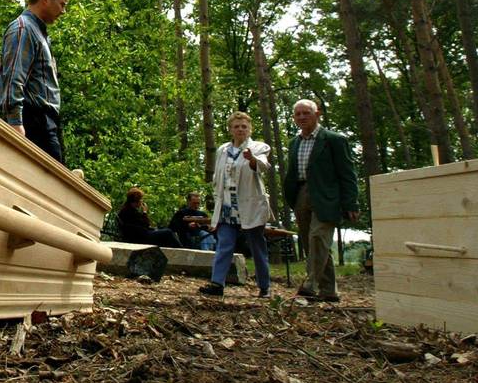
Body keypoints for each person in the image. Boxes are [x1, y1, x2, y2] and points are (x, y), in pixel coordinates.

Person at [283, 99, 359, 303]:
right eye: (297, 114)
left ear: (318, 114)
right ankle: (329, 291)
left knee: (318, 237)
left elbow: (347, 173)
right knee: (314, 243)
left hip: (327, 196)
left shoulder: (334, 140)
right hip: (301, 195)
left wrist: (351, 203)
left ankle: (309, 285)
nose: (301, 117)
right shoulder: (294, 142)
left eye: (306, 113)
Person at [0, 0, 69, 163]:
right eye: (62, 4)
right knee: (48, 185)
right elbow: (13, 78)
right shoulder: (23, 29)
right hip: (32, 121)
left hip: (45, 122)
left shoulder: (39, 32)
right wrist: (15, 123)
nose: (63, 11)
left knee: (54, 185)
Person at [199, 112, 274, 298]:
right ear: (230, 129)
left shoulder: (259, 147)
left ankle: (264, 286)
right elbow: (218, 176)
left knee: (257, 246)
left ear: (250, 129)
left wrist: (252, 160)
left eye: (244, 126)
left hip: (250, 205)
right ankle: (217, 284)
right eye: (236, 126)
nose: (240, 129)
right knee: (224, 244)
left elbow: (264, 165)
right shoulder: (223, 150)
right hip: (227, 205)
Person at [118, 187, 182, 248]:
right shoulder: (130, 211)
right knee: (168, 232)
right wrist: (145, 212)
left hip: (139, 236)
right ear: (136, 200)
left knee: (164, 231)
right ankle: (182, 251)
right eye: (141, 199)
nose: (142, 201)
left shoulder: (127, 209)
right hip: (141, 238)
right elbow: (146, 224)